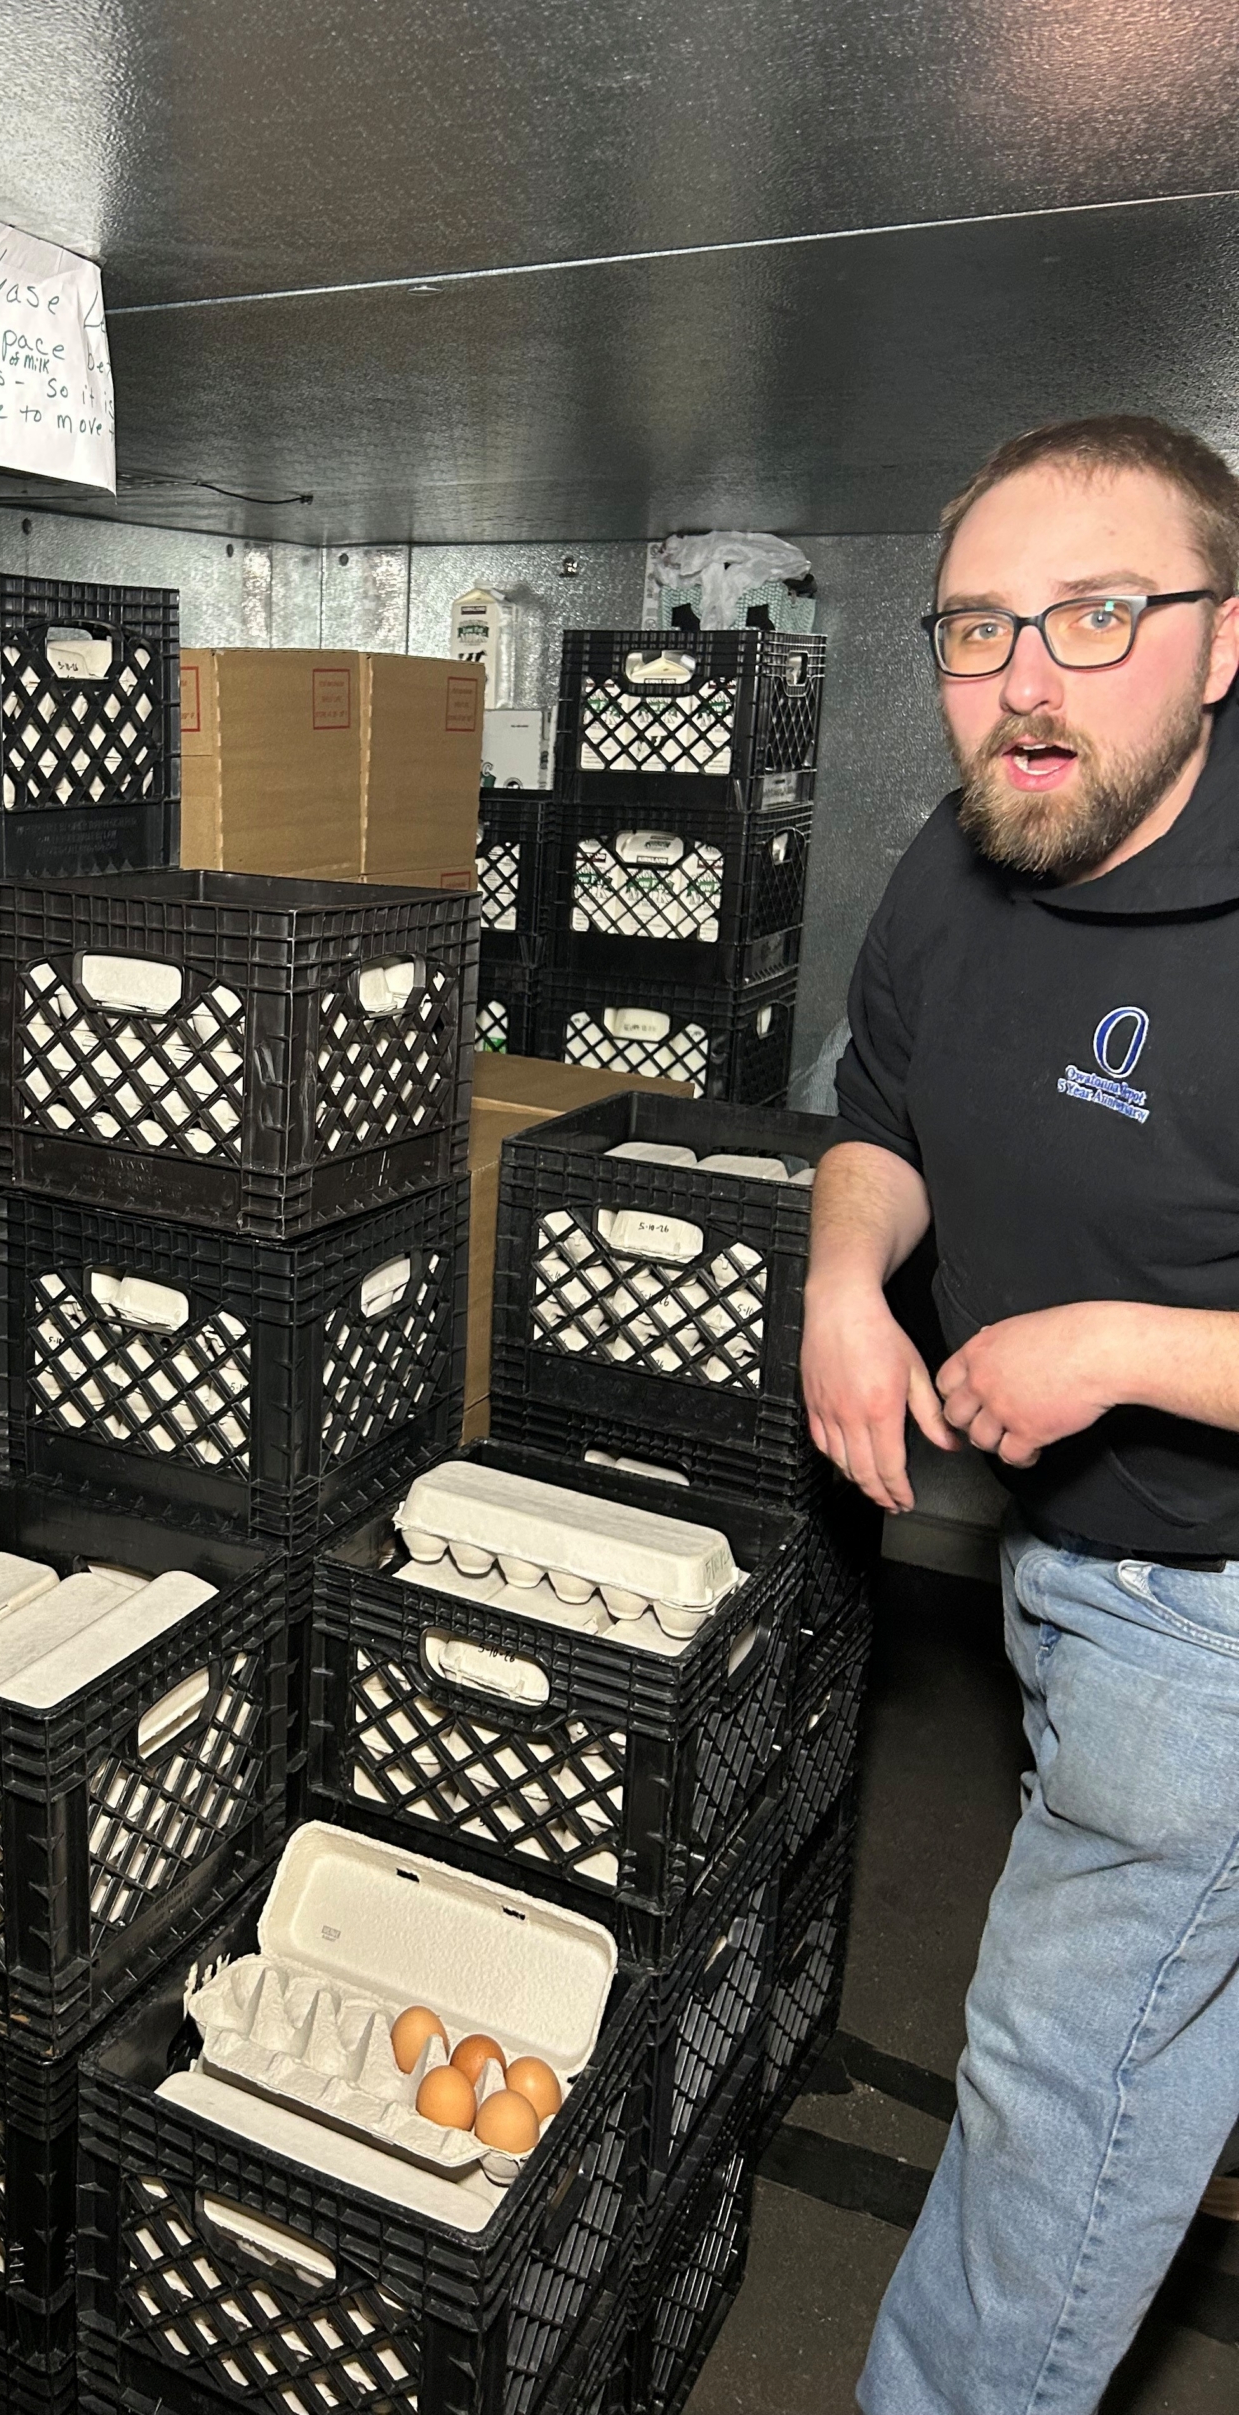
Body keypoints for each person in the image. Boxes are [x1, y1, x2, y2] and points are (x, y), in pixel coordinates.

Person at [800, 413, 1239, 2415]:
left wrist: (1126, 1347)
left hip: (1211, 1623)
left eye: (1098, 611)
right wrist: (840, 1281)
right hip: (1069, 1569)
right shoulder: (969, 844)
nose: (1028, 679)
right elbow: (880, 1113)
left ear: (1225, 641)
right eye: (980, 627)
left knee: (1055, 2102)